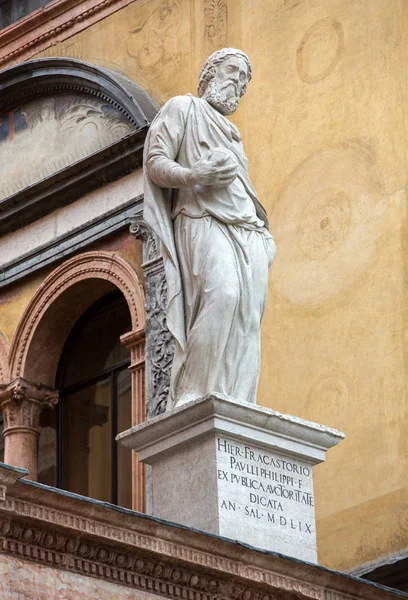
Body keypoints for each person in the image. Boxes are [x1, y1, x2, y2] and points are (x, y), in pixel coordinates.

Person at [143, 47, 276, 409]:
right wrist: (193, 175)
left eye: (245, 79)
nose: (239, 82)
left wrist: (264, 237)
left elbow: (243, 189)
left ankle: (239, 400)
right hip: (200, 217)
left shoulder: (232, 134)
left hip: (246, 229)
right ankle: (193, 394)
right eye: (233, 70)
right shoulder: (183, 109)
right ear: (209, 74)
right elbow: (156, 163)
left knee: (248, 315)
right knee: (224, 295)